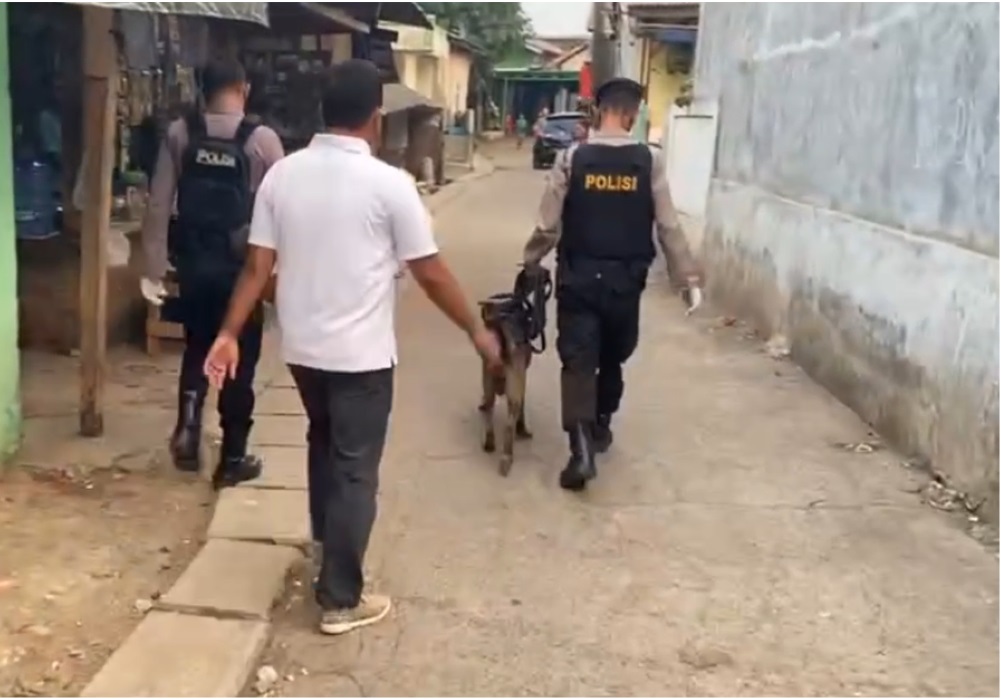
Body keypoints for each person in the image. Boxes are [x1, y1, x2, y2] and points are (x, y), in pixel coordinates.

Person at [204, 59, 502, 635]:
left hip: (303, 352)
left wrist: (227, 333)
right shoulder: (390, 184)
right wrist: (474, 329)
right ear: (375, 118)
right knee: (355, 467)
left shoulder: (283, 175)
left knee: (324, 443)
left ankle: (326, 548)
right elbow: (432, 273)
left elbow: (256, 268)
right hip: (360, 358)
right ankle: (341, 598)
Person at [521, 78, 704, 492]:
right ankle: (600, 424)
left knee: (578, 361)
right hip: (625, 283)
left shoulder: (572, 158)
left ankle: (580, 448)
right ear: (632, 114)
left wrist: (531, 260)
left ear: (598, 111)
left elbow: (547, 224)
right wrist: (687, 278)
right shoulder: (650, 160)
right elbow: (668, 224)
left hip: (579, 278)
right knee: (613, 357)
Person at [140, 59, 286, 487]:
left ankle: (188, 426)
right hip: (243, 271)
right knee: (240, 355)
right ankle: (233, 458)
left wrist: (153, 267)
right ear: (245, 88)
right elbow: (283, 210)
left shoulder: (180, 134)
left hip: (194, 262)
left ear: (202, 91)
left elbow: (158, 204)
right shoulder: (262, 141)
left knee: (199, 342)